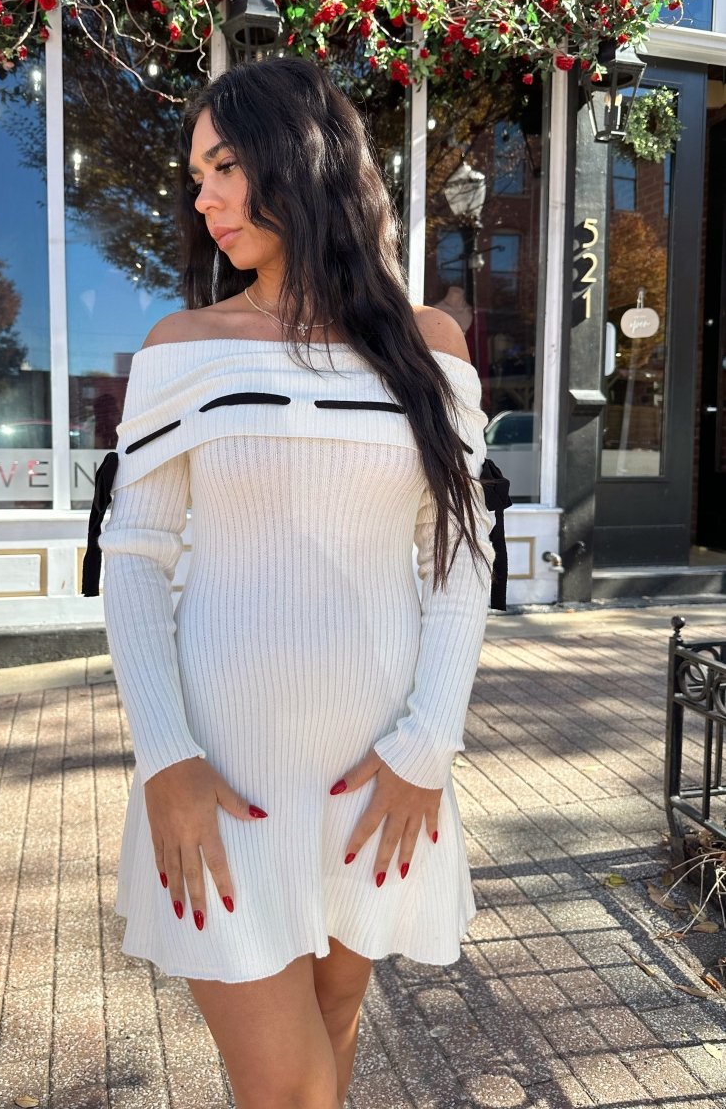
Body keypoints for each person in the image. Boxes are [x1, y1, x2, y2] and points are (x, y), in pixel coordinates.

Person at [97, 57, 496, 1109]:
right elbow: (134, 558)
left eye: (224, 166)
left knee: (335, 1024)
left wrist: (427, 747)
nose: (204, 199)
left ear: (304, 158)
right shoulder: (183, 347)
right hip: (220, 771)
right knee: (290, 1088)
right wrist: (165, 759)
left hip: (379, 772)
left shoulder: (430, 348)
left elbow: (459, 556)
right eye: (196, 177)